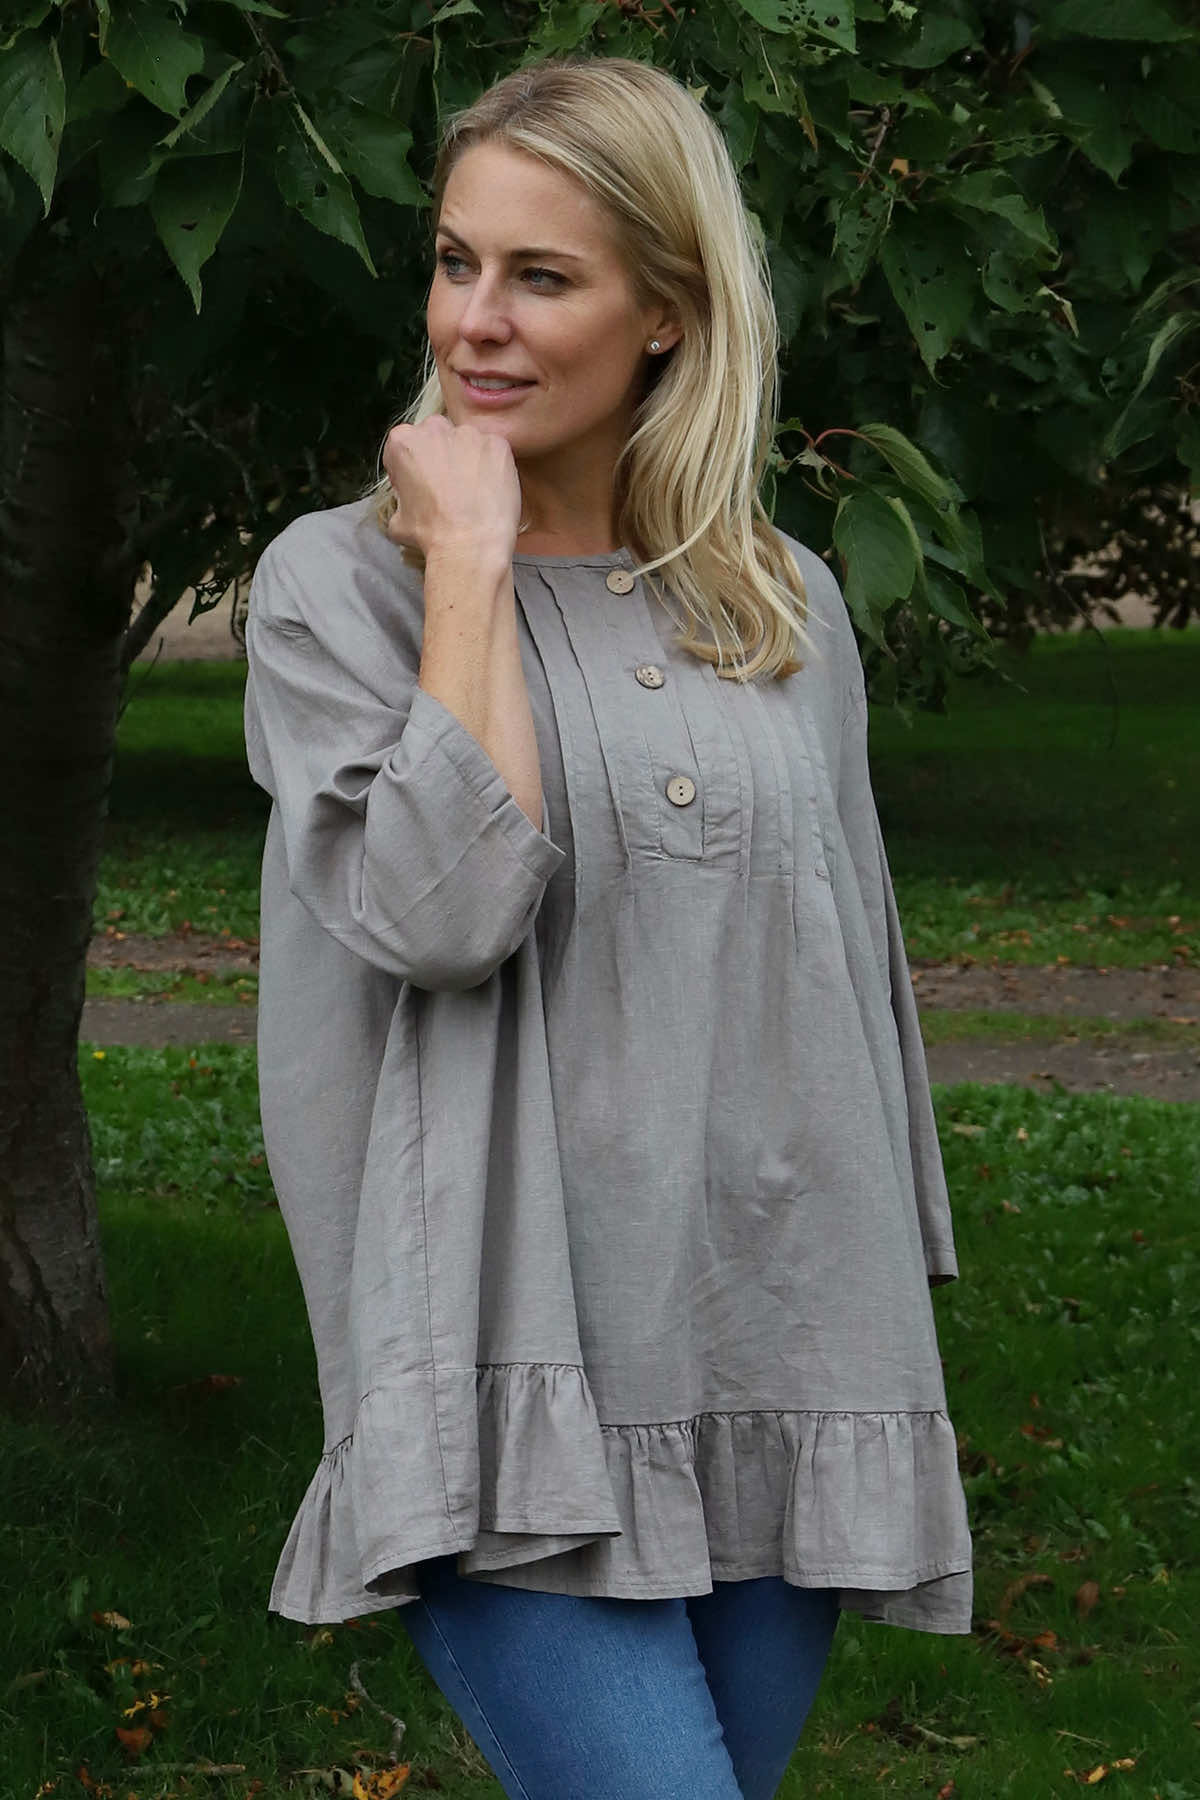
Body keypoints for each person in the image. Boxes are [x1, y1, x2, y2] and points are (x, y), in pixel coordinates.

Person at [242, 54, 973, 1800]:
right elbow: (442, 912)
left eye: (541, 276)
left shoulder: (783, 603)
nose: (475, 320)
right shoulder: (341, 589)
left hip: (780, 1356)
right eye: (454, 261)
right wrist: (471, 565)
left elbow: (854, 987)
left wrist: (888, 1309)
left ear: (668, 312)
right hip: (506, 1386)